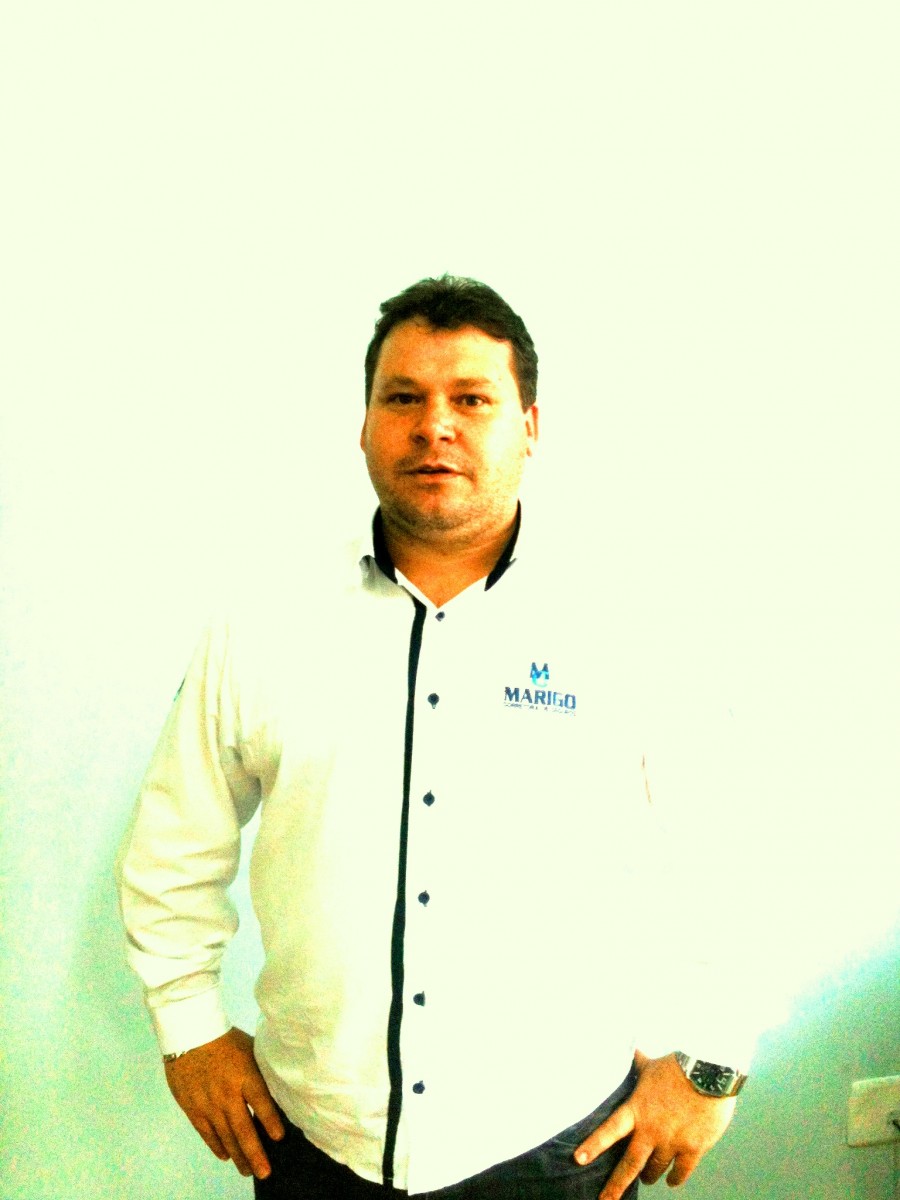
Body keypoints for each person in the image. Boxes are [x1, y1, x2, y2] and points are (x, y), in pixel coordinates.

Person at [118, 275, 752, 1200]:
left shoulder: (632, 622)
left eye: (472, 399)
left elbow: (727, 854)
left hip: (554, 1148)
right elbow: (172, 848)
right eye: (403, 398)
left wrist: (714, 1063)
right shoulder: (259, 624)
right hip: (313, 1146)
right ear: (364, 424)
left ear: (530, 426)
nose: (434, 426)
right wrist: (188, 1031)